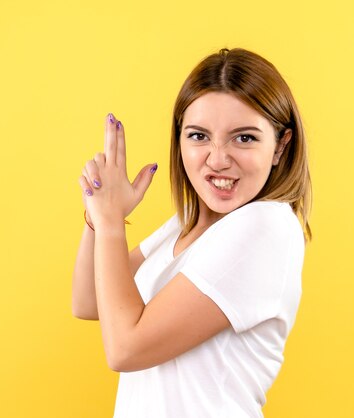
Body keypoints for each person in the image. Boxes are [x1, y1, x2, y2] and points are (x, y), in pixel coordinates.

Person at [72, 47, 311, 418]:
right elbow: (89, 301)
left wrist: (109, 224)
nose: (217, 159)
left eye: (244, 138)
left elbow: (125, 348)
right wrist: (101, 213)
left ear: (281, 146)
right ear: (179, 139)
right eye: (199, 136)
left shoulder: (266, 227)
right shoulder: (184, 226)